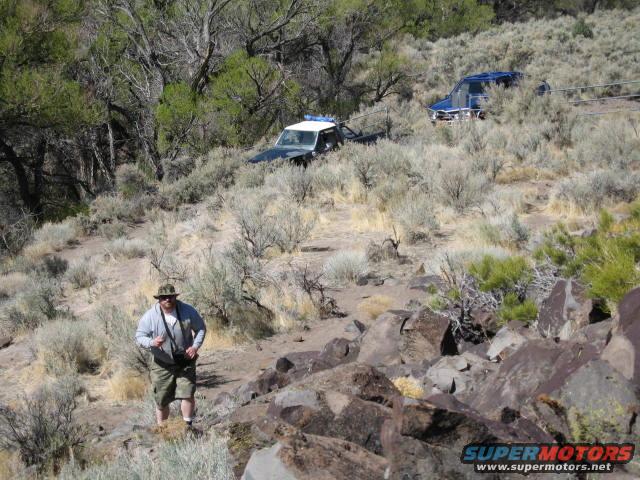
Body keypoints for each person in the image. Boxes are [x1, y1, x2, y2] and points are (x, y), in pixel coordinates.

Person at [135, 284, 206, 426]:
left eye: (171, 296)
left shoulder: (188, 310)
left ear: (175, 296)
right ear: (159, 299)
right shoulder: (150, 315)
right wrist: (152, 342)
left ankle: (187, 426)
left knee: (188, 394)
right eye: (164, 297)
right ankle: (163, 430)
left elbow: (201, 328)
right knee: (161, 400)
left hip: (185, 361)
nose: (168, 299)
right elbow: (139, 337)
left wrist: (195, 346)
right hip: (162, 364)